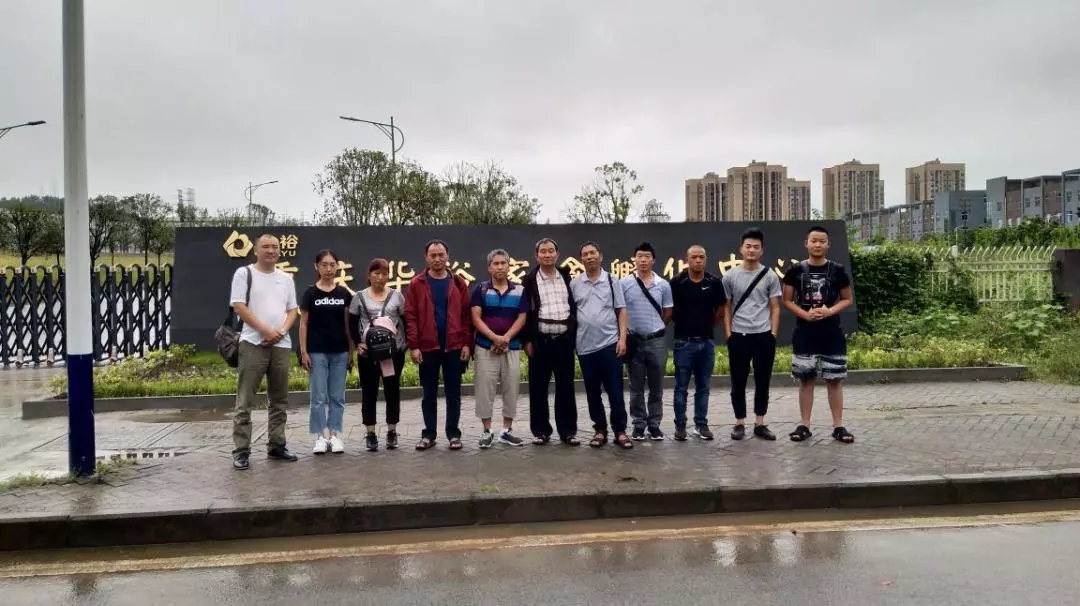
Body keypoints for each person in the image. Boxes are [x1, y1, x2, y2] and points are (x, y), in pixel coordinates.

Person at [229, 233, 300, 470]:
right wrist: (265, 330)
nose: (271, 250)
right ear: (256, 250)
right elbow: (239, 306)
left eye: (275, 247)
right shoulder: (244, 274)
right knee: (245, 399)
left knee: (279, 399)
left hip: (281, 344)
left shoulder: (286, 278)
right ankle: (241, 450)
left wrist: (281, 331)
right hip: (252, 344)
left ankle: (277, 444)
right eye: (266, 246)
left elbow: (292, 310)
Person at [782, 225, 856, 444]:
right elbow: (787, 300)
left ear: (828, 245)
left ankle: (838, 426)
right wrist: (805, 315)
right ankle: (804, 425)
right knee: (806, 379)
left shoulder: (837, 270)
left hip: (831, 332)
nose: (817, 244)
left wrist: (829, 311)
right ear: (806, 243)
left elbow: (847, 299)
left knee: (834, 379)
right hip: (804, 332)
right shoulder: (795, 270)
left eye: (822, 241)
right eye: (813, 240)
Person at [404, 239, 472, 451]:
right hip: (428, 347)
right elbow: (410, 316)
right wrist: (414, 346)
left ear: (447, 256)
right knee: (429, 394)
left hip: (454, 346)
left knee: (454, 394)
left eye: (441, 255)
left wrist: (466, 343)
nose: (437, 259)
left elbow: (466, 316)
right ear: (426, 258)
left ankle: (453, 434)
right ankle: (429, 434)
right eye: (433, 255)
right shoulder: (417, 284)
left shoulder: (458, 283)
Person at [571, 241, 633, 449]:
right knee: (592, 392)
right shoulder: (575, 284)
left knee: (615, 390)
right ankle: (599, 430)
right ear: (581, 259)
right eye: (585, 254)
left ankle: (620, 431)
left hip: (609, 344)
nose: (589, 256)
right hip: (585, 347)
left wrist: (622, 339)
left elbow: (621, 310)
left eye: (593, 253)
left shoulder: (612, 280)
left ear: (600, 256)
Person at [723, 229, 782, 441]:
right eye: (748, 246)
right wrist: (729, 334)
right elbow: (726, 307)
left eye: (756, 247)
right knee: (738, 381)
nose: (751, 250)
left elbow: (775, 307)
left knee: (762, 380)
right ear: (741, 248)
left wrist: (773, 333)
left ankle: (760, 423)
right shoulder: (730, 276)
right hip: (739, 335)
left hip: (763, 335)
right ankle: (739, 422)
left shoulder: (770, 276)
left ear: (762, 250)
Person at [520, 237, 579, 446]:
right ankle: (541, 431)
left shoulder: (567, 277)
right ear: (536, 256)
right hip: (540, 342)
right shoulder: (529, 280)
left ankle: (568, 431)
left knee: (566, 388)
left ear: (557, 254)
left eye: (551, 251)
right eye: (543, 251)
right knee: (538, 389)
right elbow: (525, 313)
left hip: (564, 341)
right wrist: (527, 340)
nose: (547, 254)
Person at [470, 249, 528, 448]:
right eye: (496, 263)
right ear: (489, 267)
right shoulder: (480, 290)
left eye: (503, 263)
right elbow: (476, 318)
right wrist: (494, 338)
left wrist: (506, 338)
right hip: (485, 347)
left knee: (511, 388)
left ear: (509, 266)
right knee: (484, 389)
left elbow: (522, 317)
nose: (500, 267)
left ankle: (506, 430)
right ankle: (487, 431)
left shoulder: (519, 290)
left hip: (511, 347)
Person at [349, 258, 407, 452]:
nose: (380, 278)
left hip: (392, 353)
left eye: (384, 274)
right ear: (369, 275)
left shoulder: (397, 296)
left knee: (392, 390)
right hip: (368, 354)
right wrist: (358, 343)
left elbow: (406, 320)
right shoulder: (359, 297)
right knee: (369, 391)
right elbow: (352, 323)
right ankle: (371, 433)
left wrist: (405, 344)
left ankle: (392, 431)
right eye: (376, 273)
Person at [299, 249, 353, 455]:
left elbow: (348, 325)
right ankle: (321, 436)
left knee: (337, 396)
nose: (329, 269)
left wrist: (351, 351)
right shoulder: (310, 293)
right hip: (317, 351)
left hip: (340, 351)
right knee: (318, 397)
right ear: (317, 266)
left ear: (337, 266)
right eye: (324, 265)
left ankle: (335, 435)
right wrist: (304, 351)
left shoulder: (343, 294)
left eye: (332, 265)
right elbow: (303, 323)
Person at [669, 244, 725, 441]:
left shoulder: (714, 282)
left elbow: (720, 309)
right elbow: (670, 310)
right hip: (683, 343)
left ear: (706, 259)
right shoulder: (677, 282)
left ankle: (701, 424)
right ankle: (680, 426)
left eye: (702, 257)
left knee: (703, 387)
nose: (698, 260)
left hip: (706, 342)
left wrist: (707, 325)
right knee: (681, 387)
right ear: (687, 260)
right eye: (694, 257)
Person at [619, 241, 673, 441]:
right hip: (634, 341)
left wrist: (656, 327)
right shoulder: (624, 283)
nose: (643, 260)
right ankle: (639, 424)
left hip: (656, 341)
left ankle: (655, 425)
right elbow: (620, 311)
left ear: (653, 260)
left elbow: (668, 311)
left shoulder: (663, 285)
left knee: (656, 386)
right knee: (636, 386)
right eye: (639, 256)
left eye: (647, 257)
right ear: (634, 260)